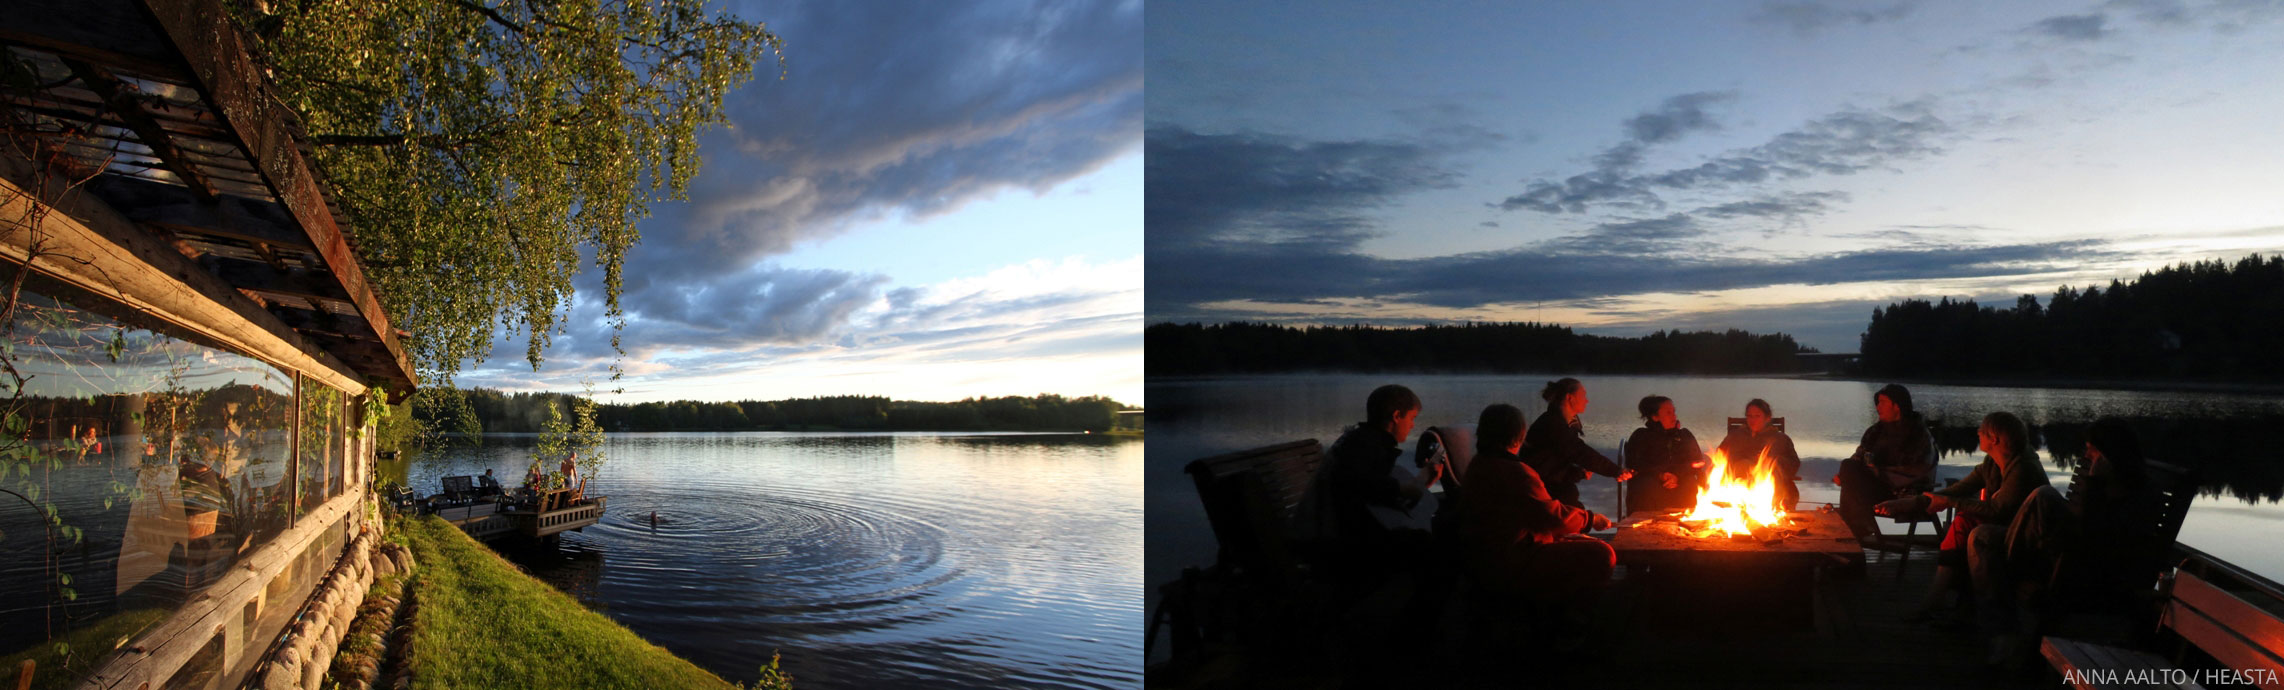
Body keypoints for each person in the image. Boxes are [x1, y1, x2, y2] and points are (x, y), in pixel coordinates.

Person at [1885, 412, 2052, 643]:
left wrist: (1948, 503)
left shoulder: (2023, 469)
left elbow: (1997, 510)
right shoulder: (1992, 464)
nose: (1977, 432)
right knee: (1964, 523)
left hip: (2026, 542)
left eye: (1982, 430)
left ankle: (1940, 602)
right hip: (2007, 530)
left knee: (1967, 525)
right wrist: (1913, 502)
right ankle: (1954, 606)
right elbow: (1958, 490)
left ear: (1994, 439)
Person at [1461, 403, 1616, 638]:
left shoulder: (1478, 465)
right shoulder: (1515, 472)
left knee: (1579, 541)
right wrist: (1590, 519)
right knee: (1602, 553)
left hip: (1491, 554)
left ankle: (1556, 613)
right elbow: (1551, 517)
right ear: (1518, 436)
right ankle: (1570, 622)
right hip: (1513, 559)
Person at [1309, 384, 1443, 581]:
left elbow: (1380, 501)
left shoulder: (1362, 440)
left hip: (1360, 532)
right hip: (1355, 544)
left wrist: (1423, 481)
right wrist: (1411, 486)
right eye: (1412, 418)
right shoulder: (1365, 447)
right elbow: (1363, 488)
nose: (1413, 425)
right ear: (1396, 416)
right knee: (1442, 540)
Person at [1832, 384, 1936, 548]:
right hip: (1877, 489)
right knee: (1848, 467)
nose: (1877, 407)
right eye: (1878, 402)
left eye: (1882, 402)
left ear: (1897, 406)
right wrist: (1844, 475)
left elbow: (1917, 471)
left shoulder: (1918, 434)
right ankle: (1855, 530)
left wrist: (1877, 472)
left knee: (1851, 486)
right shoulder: (1875, 432)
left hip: (1906, 495)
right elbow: (1858, 458)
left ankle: (1853, 531)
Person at [1525, 378, 1630, 510]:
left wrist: (1578, 472)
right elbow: (1579, 452)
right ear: (1570, 398)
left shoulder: (1565, 423)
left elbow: (1558, 460)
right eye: (1583, 395)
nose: (1587, 401)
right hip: (1546, 495)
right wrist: (1615, 470)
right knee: (1580, 516)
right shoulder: (1553, 424)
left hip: (1555, 490)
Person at [1623, 395, 1706, 514]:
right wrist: (1661, 475)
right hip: (1652, 481)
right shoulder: (1641, 436)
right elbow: (1635, 464)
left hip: (1680, 479)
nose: (1674, 416)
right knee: (1647, 485)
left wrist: (1677, 475)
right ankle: (1645, 521)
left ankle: (1688, 518)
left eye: (1674, 412)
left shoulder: (1684, 436)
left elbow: (1696, 462)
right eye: (1668, 413)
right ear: (1655, 417)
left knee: (1689, 483)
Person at [1715, 398, 1801, 510]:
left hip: (1772, 486)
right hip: (1740, 484)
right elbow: (1719, 457)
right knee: (1743, 465)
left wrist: (1774, 463)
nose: (1752, 420)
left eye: (1757, 416)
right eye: (1749, 416)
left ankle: (1773, 509)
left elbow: (1794, 463)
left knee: (1773, 466)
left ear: (1767, 418)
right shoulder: (1735, 436)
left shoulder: (1779, 439)